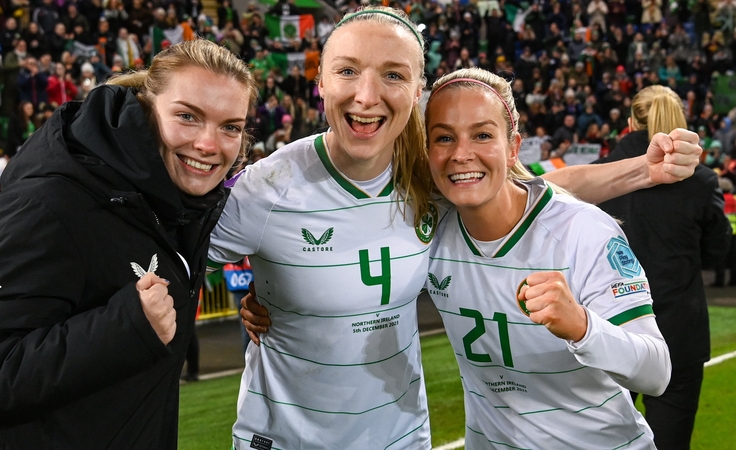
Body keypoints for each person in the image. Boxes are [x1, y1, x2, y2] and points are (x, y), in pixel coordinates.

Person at [217, 7, 701, 450]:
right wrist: (281, 289)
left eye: (392, 75)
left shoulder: (449, 187)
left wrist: (643, 173)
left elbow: (520, 191)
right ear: (318, 81)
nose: (367, 95)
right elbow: (174, 252)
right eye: (347, 70)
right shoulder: (281, 190)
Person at [0, 39, 255, 449]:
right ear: (145, 108)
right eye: (187, 116)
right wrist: (126, 327)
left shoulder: (181, 205)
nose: (210, 145)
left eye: (231, 126)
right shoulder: (48, 202)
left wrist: (279, 298)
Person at [425, 68, 671, 449]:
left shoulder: (583, 231)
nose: (461, 153)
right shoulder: (430, 231)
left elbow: (657, 372)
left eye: (482, 135)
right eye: (444, 137)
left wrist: (582, 326)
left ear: (513, 147)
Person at [596, 85, 731, 450]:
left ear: (628, 122)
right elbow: (718, 251)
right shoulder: (700, 180)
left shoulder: (596, 176)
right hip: (677, 331)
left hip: (607, 328)